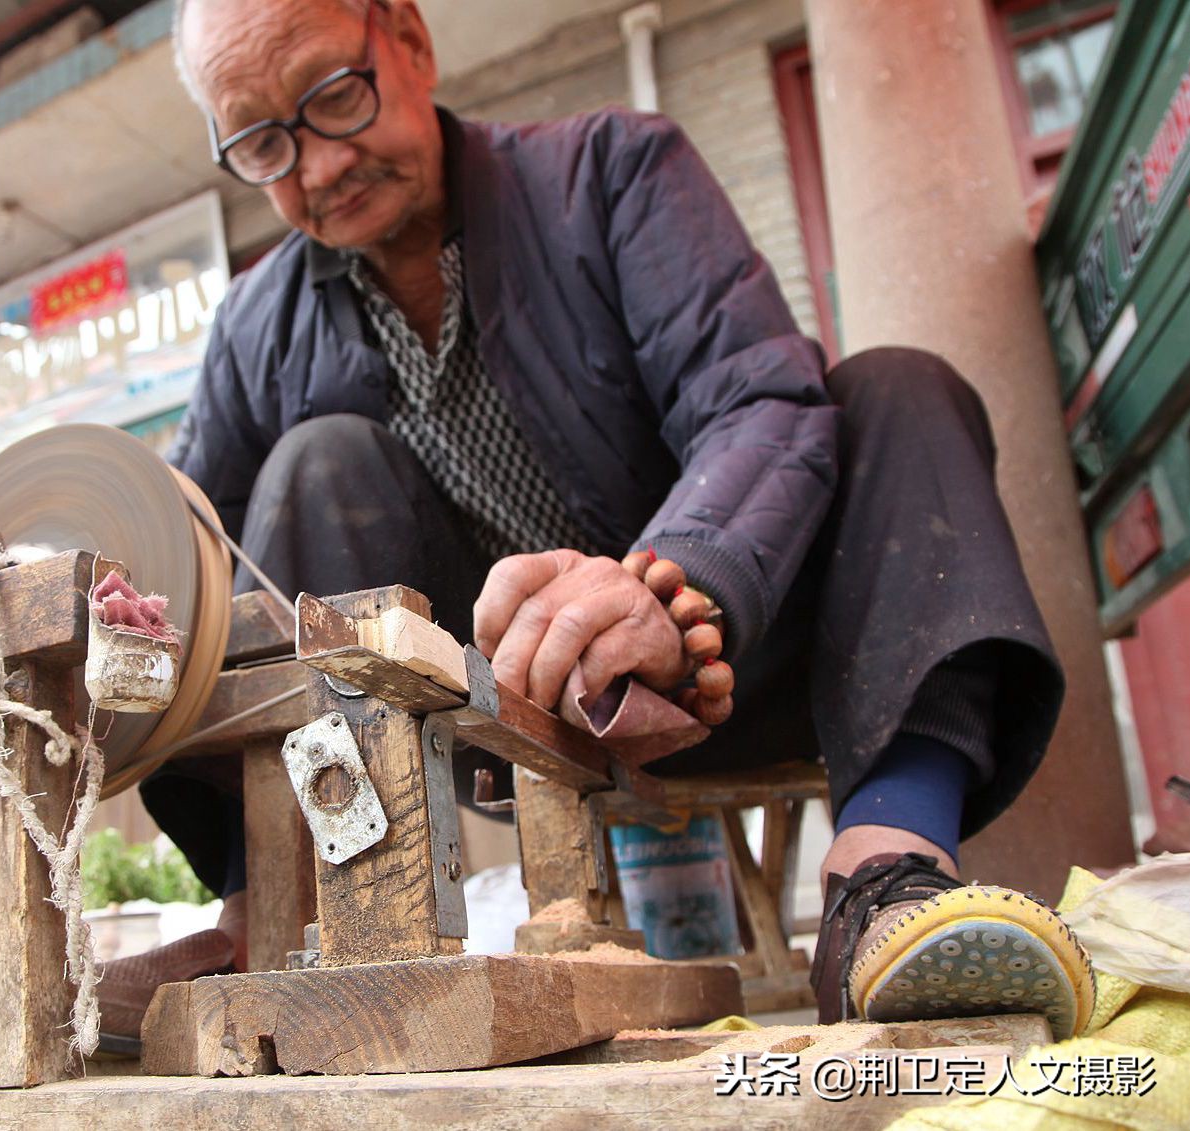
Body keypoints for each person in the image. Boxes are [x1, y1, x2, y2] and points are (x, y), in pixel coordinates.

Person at [99, 0, 1097, 1043]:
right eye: (262, 141)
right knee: (307, 473)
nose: (314, 168)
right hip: (494, 721)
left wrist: (674, 581)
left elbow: (757, 402)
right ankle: (267, 911)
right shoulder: (254, 325)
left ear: (408, 39)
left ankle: (885, 880)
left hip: (730, 664)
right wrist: (122, 605)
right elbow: (198, 560)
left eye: (333, 98)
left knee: (898, 386)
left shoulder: (613, 170)